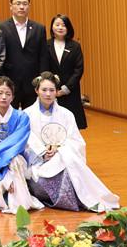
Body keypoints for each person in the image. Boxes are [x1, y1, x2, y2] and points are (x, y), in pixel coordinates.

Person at [24, 72, 118, 211]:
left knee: (70, 173)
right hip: (37, 162)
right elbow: (24, 143)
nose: (48, 94)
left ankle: (76, 200)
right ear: (36, 91)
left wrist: (59, 149)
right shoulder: (26, 114)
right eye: (44, 90)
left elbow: (77, 142)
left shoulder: (66, 114)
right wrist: (42, 153)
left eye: (52, 90)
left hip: (61, 159)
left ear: (57, 91)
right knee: (43, 182)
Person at [0, 77, 43, 214]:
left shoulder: (22, 117)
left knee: (15, 160)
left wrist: (8, 173)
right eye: (0, 93)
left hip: (17, 162)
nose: (4, 97)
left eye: (8, 94)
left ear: (13, 97)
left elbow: (17, 147)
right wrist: (5, 177)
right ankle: (11, 199)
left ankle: (18, 203)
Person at [0, 0, 47, 109]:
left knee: (31, 116)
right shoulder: (1, 27)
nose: (21, 7)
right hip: (9, 81)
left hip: (32, 81)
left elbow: (43, 56)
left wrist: (42, 79)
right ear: (11, 6)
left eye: (25, 4)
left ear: (29, 6)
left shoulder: (39, 28)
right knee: (9, 115)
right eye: (18, 3)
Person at [44, 15, 87, 129]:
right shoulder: (45, 45)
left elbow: (78, 69)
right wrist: (52, 88)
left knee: (71, 127)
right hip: (51, 92)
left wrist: (66, 89)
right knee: (52, 126)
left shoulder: (75, 46)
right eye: (57, 25)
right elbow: (43, 68)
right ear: (52, 27)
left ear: (68, 28)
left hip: (71, 91)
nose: (60, 28)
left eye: (63, 25)